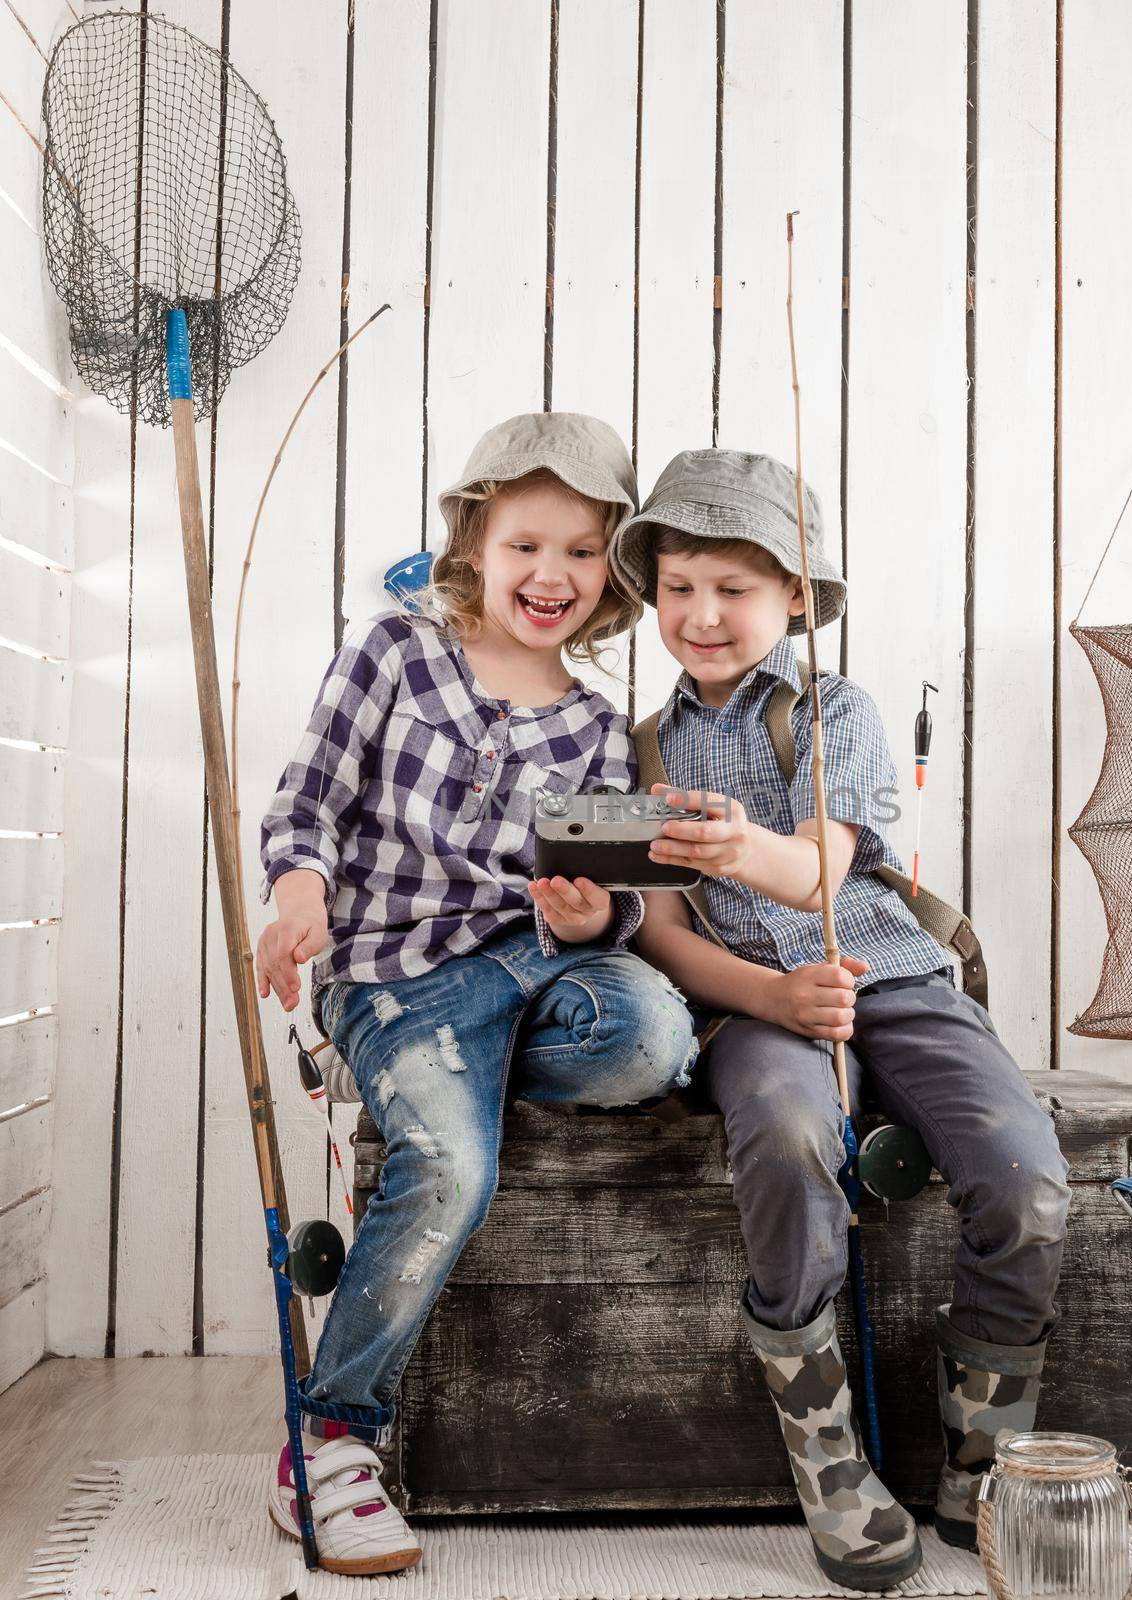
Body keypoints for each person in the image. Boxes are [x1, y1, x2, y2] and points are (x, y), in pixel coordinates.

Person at [614, 448, 1071, 1590]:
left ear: (796, 600)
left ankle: (984, 1449)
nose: (702, 614)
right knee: (787, 1136)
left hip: (893, 974)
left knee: (1024, 1177)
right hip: (754, 1006)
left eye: (735, 587)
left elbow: (820, 868)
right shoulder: (640, 752)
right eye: (678, 586)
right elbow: (662, 934)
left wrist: (739, 846)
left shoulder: (840, 710)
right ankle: (826, 1449)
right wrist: (769, 996)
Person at [255, 414, 699, 1576]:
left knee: (652, 1035)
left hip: (537, 968)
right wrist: (301, 891)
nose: (549, 575)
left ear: (612, 575)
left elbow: (617, 902)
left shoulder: (602, 731)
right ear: (475, 544)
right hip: (400, 977)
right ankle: (332, 1441)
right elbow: (306, 802)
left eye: (582, 552)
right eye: (524, 546)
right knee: (451, 1163)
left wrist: (589, 916)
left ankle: (457, 1089)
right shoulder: (393, 653)